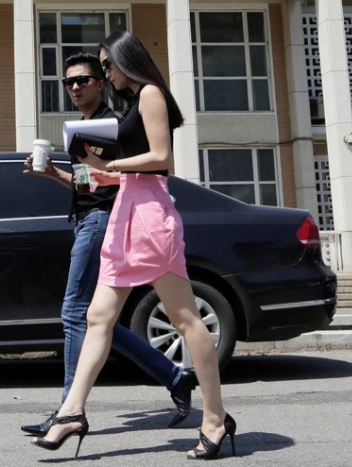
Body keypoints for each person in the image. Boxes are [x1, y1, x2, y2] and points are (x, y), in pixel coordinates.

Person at [29, 33, 235, 460]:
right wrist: (72, 172)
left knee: (186, 320)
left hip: (149, 214)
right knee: (97, 316)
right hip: (125, 212)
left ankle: (215, 419)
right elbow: (108, 178)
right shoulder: (131, 106)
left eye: (107, 66)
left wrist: (109, 164)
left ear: (126, 59)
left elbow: (161, 157)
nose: (106, 74)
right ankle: (71, 412)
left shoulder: (151, 94)